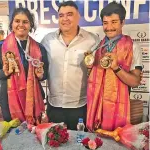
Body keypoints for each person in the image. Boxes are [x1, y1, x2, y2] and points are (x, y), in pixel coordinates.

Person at [41, 1, 99, 130]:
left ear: (78, 16)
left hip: (80, 106)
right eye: (61, 15)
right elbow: (40, 69)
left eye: (69, 14)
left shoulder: (92, 40)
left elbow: (99, 72)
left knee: (79, 145)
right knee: (54, 144)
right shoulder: (47, 40)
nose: (65, 19)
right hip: (54, 105)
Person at [86, 2, 142, 132]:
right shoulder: (96, 47)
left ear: (122, 22)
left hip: (118, 110)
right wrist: (89, 69)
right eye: (105, 22)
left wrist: (116, 67)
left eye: (114, 22)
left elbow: (134, 82)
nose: (109, 27)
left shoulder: (133, 47)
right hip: (96, 109)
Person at [0, 8, 49, 125]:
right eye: (17, 21)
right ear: (12, 23)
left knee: (34, 136)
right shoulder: (0, 47)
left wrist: (41, 74)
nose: (21, 25)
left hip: (34, 100)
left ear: (31, 25)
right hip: (9, 101)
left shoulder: (39, 48)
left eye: (25, 22)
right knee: (13, 137)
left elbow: (45, 74)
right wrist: (5, 73)